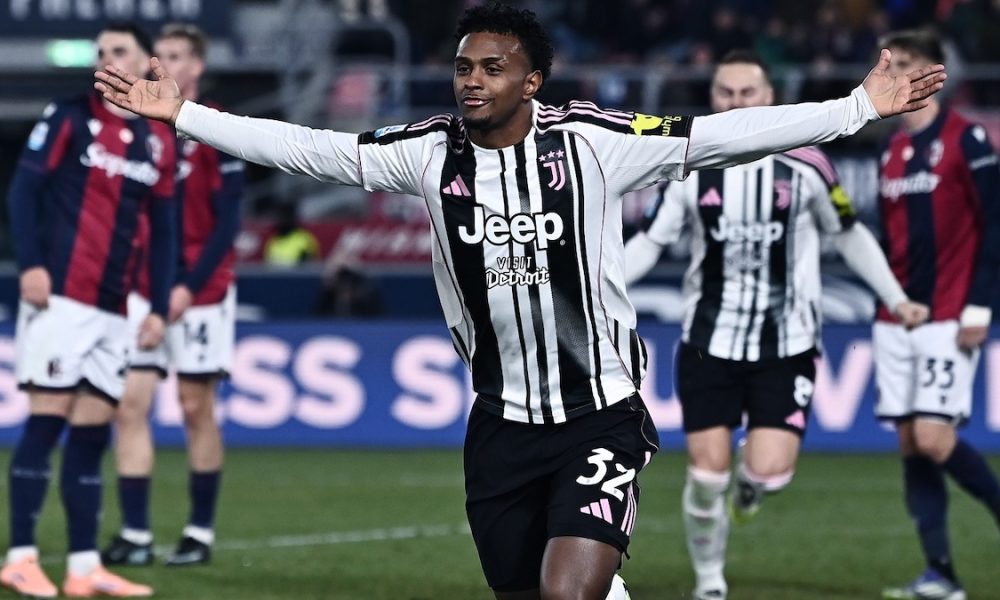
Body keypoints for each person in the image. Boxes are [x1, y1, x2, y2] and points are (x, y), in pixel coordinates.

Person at [94, 3, 946, 598]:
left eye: (492, 69)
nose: (472, 82)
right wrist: (185, 114)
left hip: (600, 416)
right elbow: (309, 148)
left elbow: (724, 135)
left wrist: (854, 108)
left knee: (565, 591)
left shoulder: (597, 144)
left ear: (532, 80)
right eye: (463, 67)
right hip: (499, 426)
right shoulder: (426, 153)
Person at [622, 50, 929, 600]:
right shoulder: (688, 166)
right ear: (713, 97)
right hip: (707, 341)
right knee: (706, 472)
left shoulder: (808, 163)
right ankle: (710, 582)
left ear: (768, 97)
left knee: (769, 470)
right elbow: (649, 241)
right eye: (726, 93)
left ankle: (753, 486)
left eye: (748, 93)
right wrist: (600, 287)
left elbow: (847, 233)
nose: (736, 103)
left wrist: (895, 297)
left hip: (786, 344)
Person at [1, 22, 176, 599]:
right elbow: (23, 192)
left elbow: (164, 230)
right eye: (100, 52)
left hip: (114, 307)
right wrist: (30, 264)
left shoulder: (156, 139)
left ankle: (83, 568)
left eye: (118, 50)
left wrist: (156, 304)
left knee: (93, 432)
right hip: (60, 297)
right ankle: (20, 558)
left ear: (145, 61)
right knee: (47, 418)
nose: (106, 58)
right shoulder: (69, 116)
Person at [101, 23, 244, 568]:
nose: (166, 64)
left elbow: (228, 221)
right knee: (130, 404)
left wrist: (187, 285)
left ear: (197, 66)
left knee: (194, 406)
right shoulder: (139, 129)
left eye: (178, 56)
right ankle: (136, 534)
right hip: (144, 286)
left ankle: (198, 532)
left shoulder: (217, 127)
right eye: (160, 55)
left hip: (202, 289)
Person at [873, 30, 1000, 600]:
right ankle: (940, 574)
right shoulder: (890, 150)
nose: (896, 72)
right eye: (890, 63)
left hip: (950, 314)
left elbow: (995, 224)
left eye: (908, 63)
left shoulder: (966, 138)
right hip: (894, 319)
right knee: (910, 443)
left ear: (934, 72)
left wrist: (981, 305)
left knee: (932, 437)